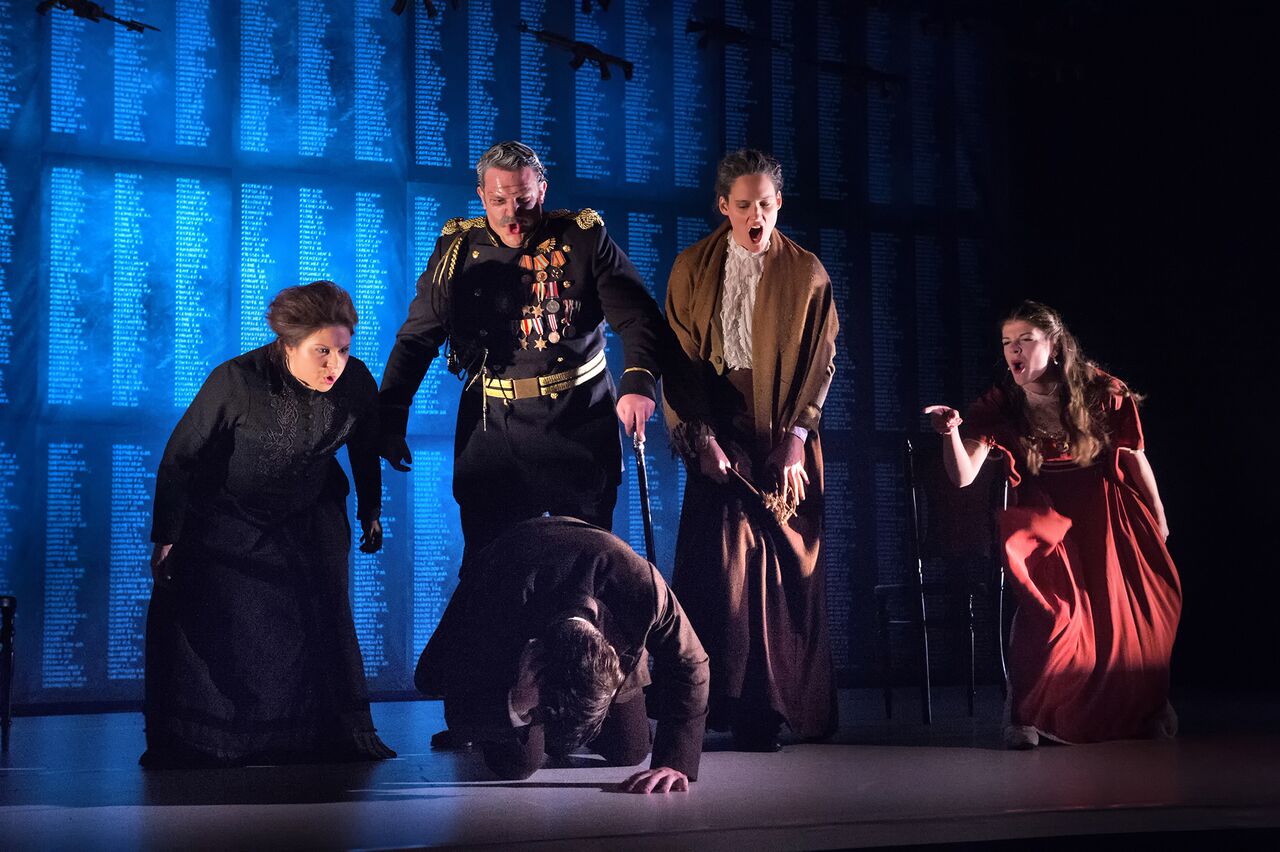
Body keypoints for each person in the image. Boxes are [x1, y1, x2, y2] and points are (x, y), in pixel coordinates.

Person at [143, 281, 395, 768]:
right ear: (288, 345)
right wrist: (167, 536)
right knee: (221, 623)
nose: (334, 365)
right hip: (228, 515)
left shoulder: (356, 382)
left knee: (321, 613)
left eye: (343, 350)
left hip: (308, 511)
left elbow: (365, 447)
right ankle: (217, 738)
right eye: (322, 351)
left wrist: (370, 509)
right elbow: (180, 458)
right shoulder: (237, 381)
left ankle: (311, 734)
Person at [379, 140, 667, 557]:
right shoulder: (457, 249)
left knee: (584, 568)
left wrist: (638, 382)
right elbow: (417, 338)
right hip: (494, 433)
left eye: (523, 200)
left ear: (542, 191)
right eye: (498, 201)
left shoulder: (583, 237)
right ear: (481, 196)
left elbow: (639, 317)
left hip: (578, 423)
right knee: (492, 573)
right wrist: (391, 416)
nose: (511, 214)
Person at [924, 300, 1181, 748]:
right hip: (1049, 516)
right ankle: (1032, 715)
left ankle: (1144, 712)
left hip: (1105, 509)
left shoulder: (1100, 390)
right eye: (1007, 342)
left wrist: (1158, 516)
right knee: (1054, 617)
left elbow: (1134, 457)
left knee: (1129, 616)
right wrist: (951, 435)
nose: (1014, 350)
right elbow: (963, 476)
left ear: (1055, 345)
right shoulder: (1001, 404)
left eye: (1026, 340)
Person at [661, 149, 839, 751]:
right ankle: (719, 702)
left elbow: (820, 363)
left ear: (779, 203)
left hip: (785, 430)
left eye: (765, 203)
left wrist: (797, 439)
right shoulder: (692, 267)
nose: (755, 215)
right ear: (723, 206)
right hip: (719, 427)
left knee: (782, 568)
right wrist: (702, 438)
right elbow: (679, 361)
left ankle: (771, 707)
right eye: (743, 205)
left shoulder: (806, 273)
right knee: (726, 560)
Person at [415, 515, 709, 793]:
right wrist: (515, 703)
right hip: (511, 606)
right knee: (517, 764)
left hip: (602, 621)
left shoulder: (641, 586)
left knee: (630, 751)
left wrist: (675, 762)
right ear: (532, 658)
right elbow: (450, 689)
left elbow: (691, 662)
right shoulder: (494, 594)